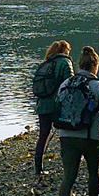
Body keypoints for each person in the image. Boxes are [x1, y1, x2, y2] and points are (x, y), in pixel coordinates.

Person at [55, 46, 99, 196]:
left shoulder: (65, 84)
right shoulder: (97, 86)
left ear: (80, 64)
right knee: (93, 171)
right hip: (91, 136)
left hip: (66, 136)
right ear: (95, 66)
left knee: (69, 176)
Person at [32, 40, 74, 181]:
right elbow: (70, 83)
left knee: (43, 136)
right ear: (65, 50)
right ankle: (68, 166)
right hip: (57, 105)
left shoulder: (45, 63)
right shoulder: (65, 63)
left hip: (42, 105)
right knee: (65, 134)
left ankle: (39, 168)